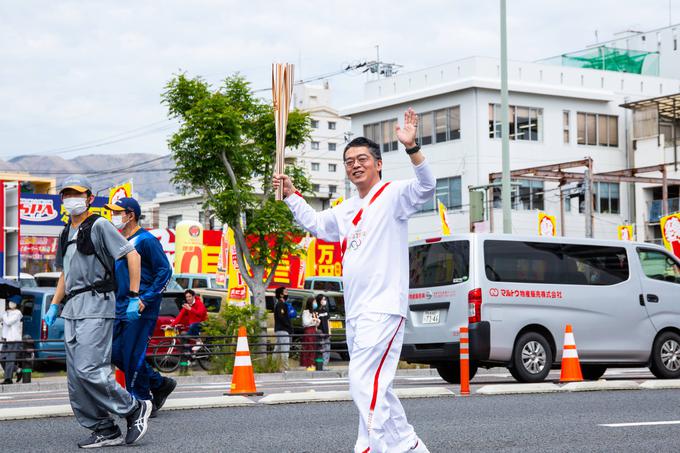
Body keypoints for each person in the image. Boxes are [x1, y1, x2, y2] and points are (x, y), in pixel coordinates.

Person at [273, 108, 434, 453]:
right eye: (349, 161)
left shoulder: (394, 195)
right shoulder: (347, 209)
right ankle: (408, 445)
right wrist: (290, 194)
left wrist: (412, 147)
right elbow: (315, 223)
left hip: (385, 307)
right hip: (358, 312)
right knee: (377, 385)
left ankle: (370, 446)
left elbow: (427, 186)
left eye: (362, 158)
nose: (355, 165)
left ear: (378, 164)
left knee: (363, 382)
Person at [44, 175, 152, 448]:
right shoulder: (65, 231)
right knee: (76, 379)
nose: (71, 199)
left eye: (77, 194)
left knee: (90, 369)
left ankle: (133, 408)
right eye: (67, 195)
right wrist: (55, 304)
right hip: (73, 308)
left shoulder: (100, 224)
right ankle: (104, 428)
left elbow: (132, 255)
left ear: (90, 198)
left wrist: (134, 296)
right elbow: (65, 273)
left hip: (97, 303)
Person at [106, 197, 176, 418]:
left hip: (141, 307)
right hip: (119, 307)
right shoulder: (117, 241)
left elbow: (165, 271)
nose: (113, 216)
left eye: (117, 212)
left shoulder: (146, 240)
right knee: (115, 353)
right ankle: (160, 383)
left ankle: (141, 402)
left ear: (131, 215)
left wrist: (145, 298)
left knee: (132, 354)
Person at [1, 297, 23, 384]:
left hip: (13, 339)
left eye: (13, 302)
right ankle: (18, 370)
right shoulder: (7, 313)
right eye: (10, 302)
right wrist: (4, 315)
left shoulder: (18, 313)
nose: (11, 303)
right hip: (6, 338)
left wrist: (4, 315)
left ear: (17, 304)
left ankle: (8, 379)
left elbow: (8, 322)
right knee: (2, 358)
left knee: (10, 359)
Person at [273, 286, 292, 370]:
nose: (287, 293)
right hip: (283, 330)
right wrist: (289, 326)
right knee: (284, 349)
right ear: (281, 295)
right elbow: (282, 317)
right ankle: (285, 367)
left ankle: (273, 366)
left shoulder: (279, 304)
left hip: (279, 329)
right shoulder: (281, 304)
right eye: (285, 292)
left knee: (277, 349)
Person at [300, 297, 320, 370]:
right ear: (310, 303)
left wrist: (317, 321)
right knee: (308, 348)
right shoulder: (306, 312)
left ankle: (312, 365)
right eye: (314, 302)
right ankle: (308, 365)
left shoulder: (314, 312)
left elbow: (316, 324)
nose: (315, 303)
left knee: (314, 348)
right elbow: (305, 323)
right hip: (308, 331)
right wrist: (313, 319)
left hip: (314, 331)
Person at [315, 294, 331, 368]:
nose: (325, 301)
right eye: (323, 299)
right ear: (319, 301)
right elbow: (315, 323)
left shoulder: (326, 310)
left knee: (327, 349)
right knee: (321, 349)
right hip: (320, 333)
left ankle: (325, 364)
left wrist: (330, 331)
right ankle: (321, 365)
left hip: (326, 332)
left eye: (325, 299)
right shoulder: (316, 311)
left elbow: (328, 321)